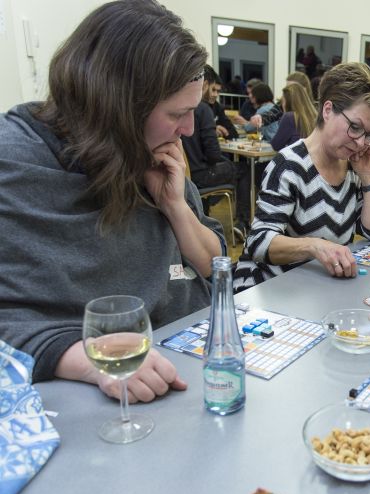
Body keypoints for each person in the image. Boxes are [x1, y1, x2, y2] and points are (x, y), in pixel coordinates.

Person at [0, 0, 224, 401]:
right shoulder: (15, 164)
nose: (188, 129)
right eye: (178, 113)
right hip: (83, 399)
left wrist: (175, 206)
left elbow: (215, 266)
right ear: (119, 107)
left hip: (190, 360)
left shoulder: (153, 153)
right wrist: (86, 358)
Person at [233, 62, 370, 291]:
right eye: (355, 127)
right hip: (270, 290)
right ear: (328, 110)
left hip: (316, 289)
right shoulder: (289, 165)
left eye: (369, 135)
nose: (361, 142)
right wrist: (315, 246)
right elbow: (259, 242)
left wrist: (368, 177)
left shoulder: (353, 164)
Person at [181, 70, 251, 238]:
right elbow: (212, 155)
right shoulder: (204, 110)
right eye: (214, 90)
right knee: (243, 169)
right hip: (201, 175)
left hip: (185, 176)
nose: (216, 95)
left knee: (228, 167)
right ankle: (243, 223)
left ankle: (204, 215)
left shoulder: (182, 106)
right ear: (204, 84)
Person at [270, 83, 317, 151]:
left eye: (283, 101)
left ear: (288, 102)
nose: (282, 105)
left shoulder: (289, 117)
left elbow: (276, 145)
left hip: (296, 160)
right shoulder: (315, 116)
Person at [202, 65, 238, 140]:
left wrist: (222, 133)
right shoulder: (196, 108)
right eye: (213, 90)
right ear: (205, 86)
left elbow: (233, 133)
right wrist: (212, 130)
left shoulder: (217, 107)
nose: (215, 95)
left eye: (218, 91)